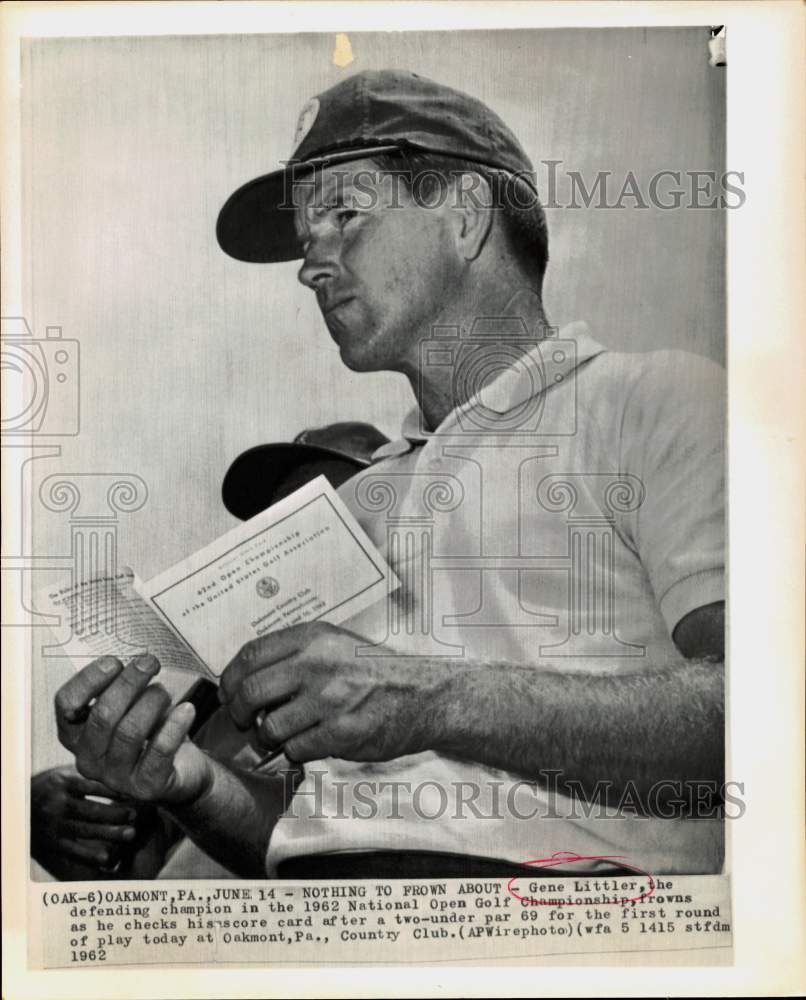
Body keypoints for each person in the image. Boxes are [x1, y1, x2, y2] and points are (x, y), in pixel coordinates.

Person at [54, 70, 725, 879]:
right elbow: (309, 837)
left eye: (345, 214)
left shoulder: (652, 400)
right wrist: (190, 784)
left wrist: (429, 700)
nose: (313, 264)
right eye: (308, 236)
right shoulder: (358, 500)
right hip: (332, 931)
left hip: (560, 935)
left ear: (467, 217)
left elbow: (771, 712)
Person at [34, 422, 388, 879]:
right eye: (273, 522)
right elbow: (147, 873)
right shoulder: (212, 698)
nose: (286, 541)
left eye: (324, 515)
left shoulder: (410, 681)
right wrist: (48, 819)